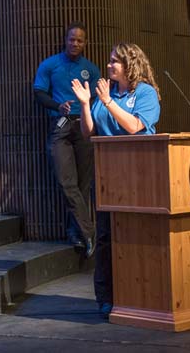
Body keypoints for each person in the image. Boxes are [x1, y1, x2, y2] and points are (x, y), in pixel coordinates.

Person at [70, 42, 161, 319]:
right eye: (110, 62)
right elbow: (89, 132)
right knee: (107, 238)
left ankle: (143, 295)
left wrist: (108, 101)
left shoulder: (145, 93)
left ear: (130, 64)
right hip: (108, 176)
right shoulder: (107, 93)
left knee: (137, 236)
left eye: (114, 62)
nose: (109, 66)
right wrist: (86, 105)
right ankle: (106, 297)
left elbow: (134, 127)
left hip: (140, 176)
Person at [33, 23, 100, 255]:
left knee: (83, 184)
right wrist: (57, 106)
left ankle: (77, 235)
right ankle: (90, 231)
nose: (75, 44)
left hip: (83, 125)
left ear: (85, 43)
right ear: (65, 39)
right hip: (60, 124)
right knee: (66, 182)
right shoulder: (50, 64)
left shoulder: (91, 69)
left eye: (80, 40)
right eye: (72, 39)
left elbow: (97, 100)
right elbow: (39, 93)